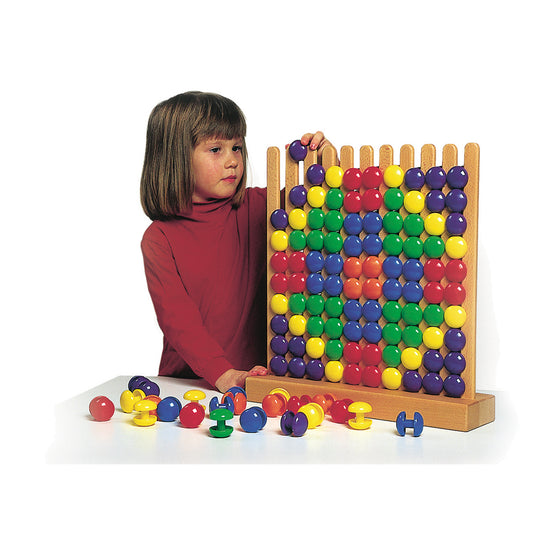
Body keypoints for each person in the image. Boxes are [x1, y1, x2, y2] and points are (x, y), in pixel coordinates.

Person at [140, 91, 331, 392]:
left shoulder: (262, 208)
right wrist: (224, 374)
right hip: (191, 385)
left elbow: (320, 207)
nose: (232, 161)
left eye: (237, 147)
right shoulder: (160, 239)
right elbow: (178, 320)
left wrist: (325, 165)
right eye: (216, 149)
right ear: (175, 158)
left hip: (261, 382)